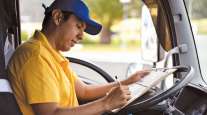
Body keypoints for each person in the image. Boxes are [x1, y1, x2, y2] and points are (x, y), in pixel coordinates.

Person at [7, 0, 149, 115]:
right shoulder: (36, 57)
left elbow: (84, 91)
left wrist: (129, 81)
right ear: (58, 17)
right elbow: (51, 113)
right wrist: (106, 103)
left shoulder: (51, 54)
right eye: (78, 26)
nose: (81, 36)